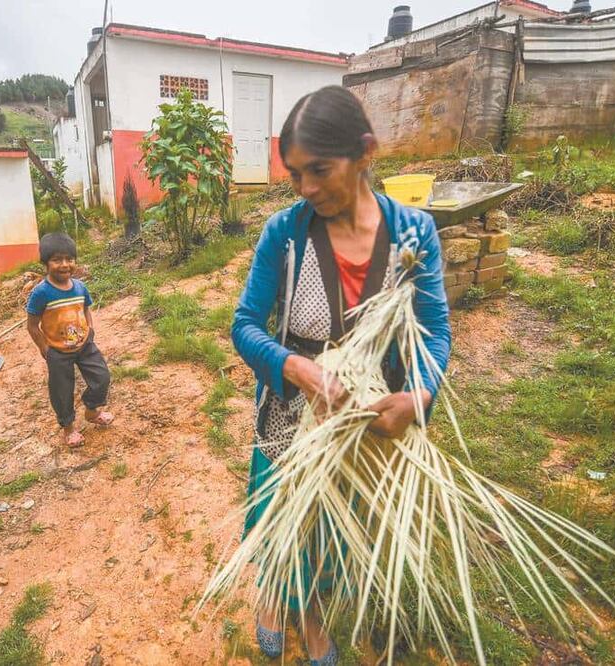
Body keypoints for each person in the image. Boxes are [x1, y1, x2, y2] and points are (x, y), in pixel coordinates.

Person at [231, 86, 452, 664]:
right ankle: (277, 597)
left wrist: (418, 395)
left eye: (319, 170)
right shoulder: (286, 233)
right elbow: (245, 325)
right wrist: (293, 367)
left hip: (366, 420)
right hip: (289, 416)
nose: (306, 188)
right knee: (282, 513)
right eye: (296, 174)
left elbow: (433, 333)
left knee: (336, 526)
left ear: (366, 153)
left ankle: (315, 611)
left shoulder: (413, 235)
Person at [26, 232, 114, 447]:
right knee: (62, 391)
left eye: (69, 259)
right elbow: (32, 325)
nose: (64, 265)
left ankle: (92, 411)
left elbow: (85, 308)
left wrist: (90, 329)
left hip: (85, 345)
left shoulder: (80, 287)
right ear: (45, 263)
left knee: (102, 376)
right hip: (58, 351)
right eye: (57, 260)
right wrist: (44, 347)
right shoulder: (41, 293)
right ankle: (68, 428)